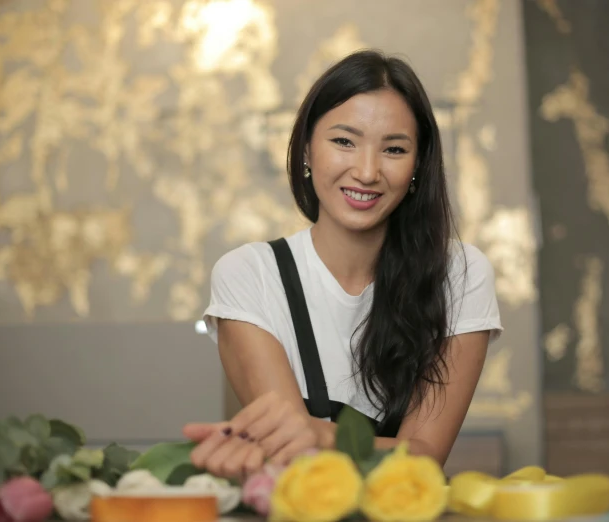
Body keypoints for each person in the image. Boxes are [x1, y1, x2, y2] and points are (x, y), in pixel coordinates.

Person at [183, 49, 502, 479]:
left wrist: (318, 436)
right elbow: (290, 455)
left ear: (417, 167)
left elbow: (425, 457)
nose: (367, 172)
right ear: (307, 150)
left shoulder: (459, 274)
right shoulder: (250, 274)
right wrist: (349, 444)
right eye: (344, 141)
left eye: (393, 149)